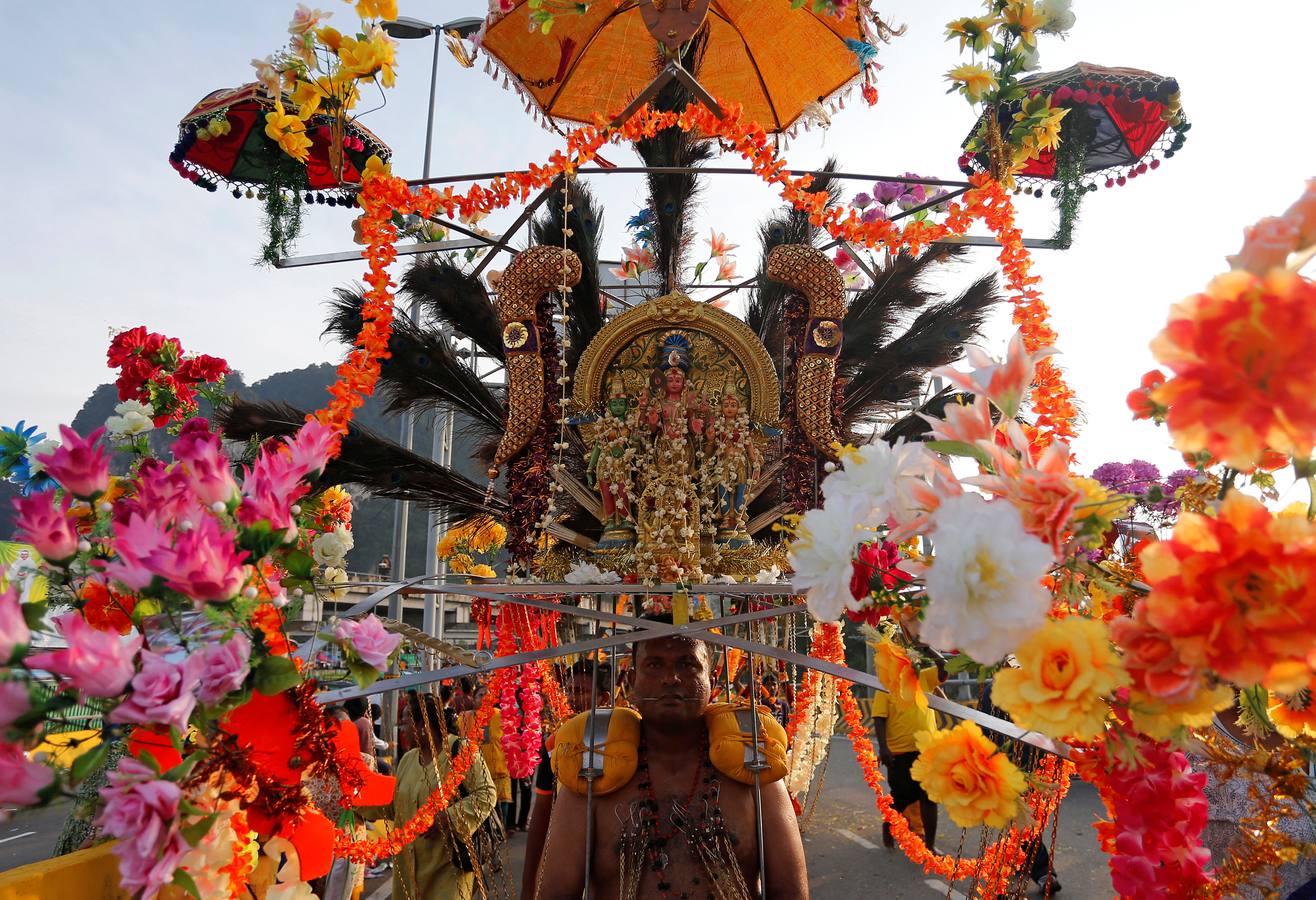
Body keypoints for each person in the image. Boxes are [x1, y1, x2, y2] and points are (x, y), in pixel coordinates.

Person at [535, 626, 808, 899]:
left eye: (687, 664)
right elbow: (556, 892)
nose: (670, 678)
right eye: (654, 664)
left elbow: (790, 892)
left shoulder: (753, 766)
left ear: (712, 678)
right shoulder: (592, 769)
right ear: (631, 680)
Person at [385, 692, 498, 900]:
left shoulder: (460, 750)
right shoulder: (408, 759)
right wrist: (356, 801)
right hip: (409, 871)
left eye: (406, 724)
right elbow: (395, 805)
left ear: (423, 726)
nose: (403, 731)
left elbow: (487, 794)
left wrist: (447, 818)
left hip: (448, 870)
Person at [520, 661, 611, 900]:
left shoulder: (623, 740)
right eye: (567, 690)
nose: (571, 697)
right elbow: (541, 814)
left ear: (603, 698)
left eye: (580, 691)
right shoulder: (554, 745)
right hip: (565, 855)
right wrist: (528, 885)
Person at [978, 680, 1061, 895]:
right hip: (1015, 766)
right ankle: (1037, 869)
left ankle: (1036, 868)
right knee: (1021, 820)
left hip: (1030, 766)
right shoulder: (995, 690)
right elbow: (984, 731)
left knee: (1023, 821)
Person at [872, 646, 946, 854]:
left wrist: (930, 651)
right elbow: (879, 718)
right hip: (899, 754)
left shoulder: (924, 678)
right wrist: (883, 748)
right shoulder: (886, 687)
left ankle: (929, 846)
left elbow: (943, 668)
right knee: (901, 798)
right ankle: (889, 825)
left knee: (929, 799)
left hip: (927, 752)